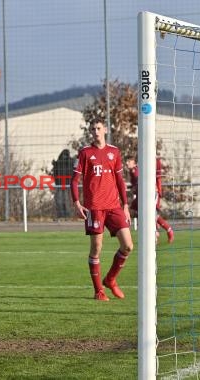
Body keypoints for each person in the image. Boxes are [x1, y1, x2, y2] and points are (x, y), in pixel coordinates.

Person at [71, 118, 134, 301]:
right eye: (93, 129)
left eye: (98, 128)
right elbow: (74, 181)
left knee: (128, 245)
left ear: (105, 129)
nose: (96, 131)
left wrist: (125, 205)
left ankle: (110, 279)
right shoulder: (85, 153)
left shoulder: (114, 152)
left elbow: (120, 181)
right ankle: (99, 291)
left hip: (114, 206)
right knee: (96, 248)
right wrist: (77, 202)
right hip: (95, 208)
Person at [125, 155, 174, 244]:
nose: (126, 163)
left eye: (128, 161)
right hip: (142, 195)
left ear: (134, 162)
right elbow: (136, 184)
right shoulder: (132, 171)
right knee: (137, 212)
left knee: (150, 214)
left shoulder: (135, 171)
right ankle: (155, 232)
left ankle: (163, 231)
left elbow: (140, 183)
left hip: (150, 194)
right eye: (126, 162)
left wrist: (133, 189)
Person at [52, 149, 73, 219]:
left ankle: (65, 215)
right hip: (62, 184)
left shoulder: (65, 162)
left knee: (64, 200)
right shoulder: (60, 163)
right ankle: (62, 215)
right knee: (61, 200)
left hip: (64, 184)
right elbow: (55, 173)